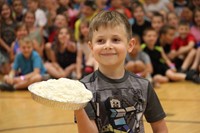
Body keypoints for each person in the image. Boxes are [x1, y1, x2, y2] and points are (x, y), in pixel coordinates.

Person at [74, 10, 168, 133]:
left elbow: (160, 128)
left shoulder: (144, 86)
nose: (107, 45)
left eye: (116, 39)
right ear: (91, 47)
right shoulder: (84, 89)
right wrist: (78, 108)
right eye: (100, 41)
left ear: (130, 45)